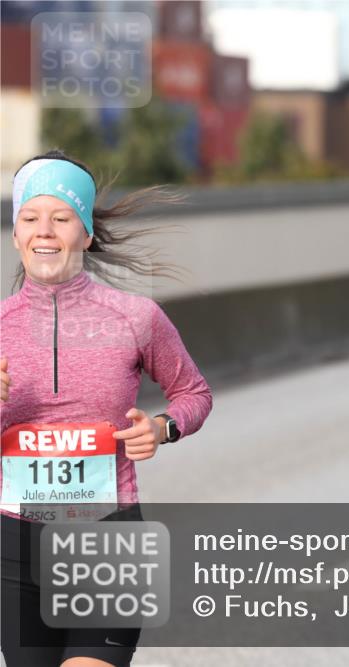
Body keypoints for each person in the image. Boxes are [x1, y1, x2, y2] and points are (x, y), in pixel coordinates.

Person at [1, 150, 213, 667]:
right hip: (15, 547)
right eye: (30, 218)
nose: (44, 231)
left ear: (87, 233)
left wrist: (163, 428)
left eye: (61, 217)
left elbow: (194, 394)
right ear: (15, 235)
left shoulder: (135, 318)